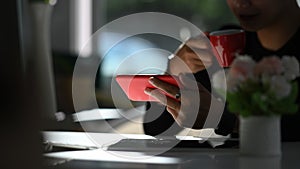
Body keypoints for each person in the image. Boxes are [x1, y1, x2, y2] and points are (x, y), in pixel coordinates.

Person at [143, 0, 300, 141]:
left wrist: (224, 118)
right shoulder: (226, 43)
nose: (241, 3)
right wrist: (174, 70)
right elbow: (155, 128)